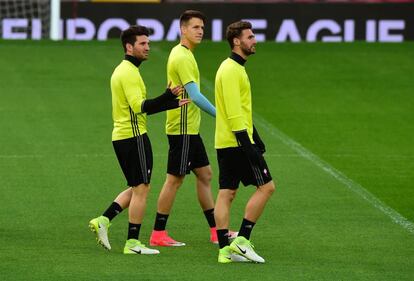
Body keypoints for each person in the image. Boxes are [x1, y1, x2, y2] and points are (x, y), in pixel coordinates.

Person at [88, 25, 189, 255]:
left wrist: (169, 102)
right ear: (129, 46)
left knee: (136, 187)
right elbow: (140, 107)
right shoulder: (129, 73)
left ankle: (104, 219)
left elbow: (139, 108)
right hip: (134, 138)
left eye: (148, 43)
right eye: (143, 44)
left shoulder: (124, 70)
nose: (147, 48)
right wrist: (167, 97)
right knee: (142, 188)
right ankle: (133, 243)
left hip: (122, 136)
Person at [149, 10, 234, 247]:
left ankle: (216, 231)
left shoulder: (184, 54)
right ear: (183, 29)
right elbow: (195, 96)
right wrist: (221, 115)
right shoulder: (183, 57)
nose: (200, 32)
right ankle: (158, 234)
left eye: (202, 28)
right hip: (182, 128)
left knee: (205, 175)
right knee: (174, 180)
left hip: (190, 128)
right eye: (195, 27)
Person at [213, 21, 276, 263]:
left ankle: (224, 251)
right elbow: (232, 111)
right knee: (267, 187)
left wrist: (256, 137)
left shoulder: (234, 68)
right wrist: (247, 143)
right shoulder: (231, 70)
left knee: (226, 192)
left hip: (227, 141)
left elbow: (241, 109)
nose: (255, 40)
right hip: (236, 142)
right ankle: (242, 240)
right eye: (250, 37)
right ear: (236, 41)